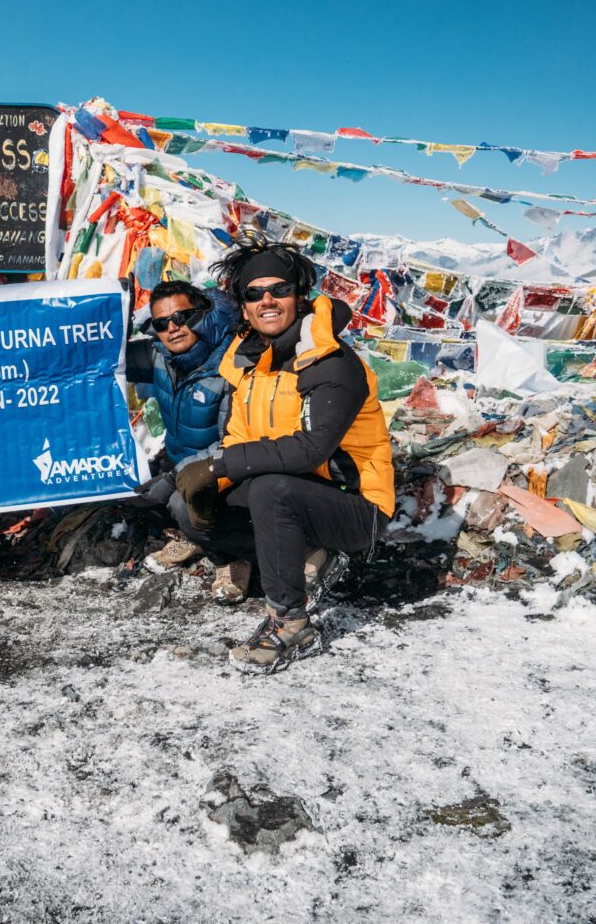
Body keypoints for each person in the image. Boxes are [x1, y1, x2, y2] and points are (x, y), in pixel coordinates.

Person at [173, 234, 395, 673]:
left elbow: (311, 448)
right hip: (302, 495)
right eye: (254, 294)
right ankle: (307, 555)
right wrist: (191, 481)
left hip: (357, 507)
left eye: (279, 290)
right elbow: (240, 438)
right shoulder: (252, 363)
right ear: (243, 306)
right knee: (186, 505)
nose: (267, 300)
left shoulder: (329, 361)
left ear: (299, 296)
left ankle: (291, 622)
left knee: (272, 489)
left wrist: (220, 466)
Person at [125, 281, 239, 580]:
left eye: (182, 317)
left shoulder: (231, 364)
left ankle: (232, 558)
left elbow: (235, 440)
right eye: (162, 323)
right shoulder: (159, 355)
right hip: (180, 465)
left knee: (181, 504)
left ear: (202, 312)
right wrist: (118, 320)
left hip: (227, 472)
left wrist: (174, 477)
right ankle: (195, 538)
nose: (173, 328)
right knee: (132, 487)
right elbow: (106, 357)